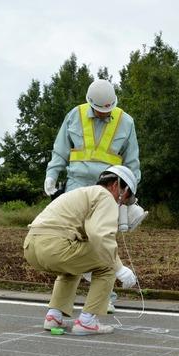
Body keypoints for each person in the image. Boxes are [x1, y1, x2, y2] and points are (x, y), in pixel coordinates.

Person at [43, 79, 141, 312]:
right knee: (75, 240)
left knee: (103, 239)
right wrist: (51, 175)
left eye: (106, 109)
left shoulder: (126, 122)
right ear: (90, 103)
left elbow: (132, 162)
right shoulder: (74, 115)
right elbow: (60, 149)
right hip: (77, 186)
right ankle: (60, 307)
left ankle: (102, 298)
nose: (102, 113)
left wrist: (130, 196)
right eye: (99, 109)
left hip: (109, 189)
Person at [24, 165, 139, 335]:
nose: (121, 202)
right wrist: (120, 268)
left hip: (31, 247)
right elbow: (100, 236)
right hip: (56, 247)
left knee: (72, 267)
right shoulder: (105, 196)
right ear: (116, 185)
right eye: (125, 196)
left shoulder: (84, 193)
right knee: (108, 265)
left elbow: (86, 236)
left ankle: (54, 316)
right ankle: (87, 321)